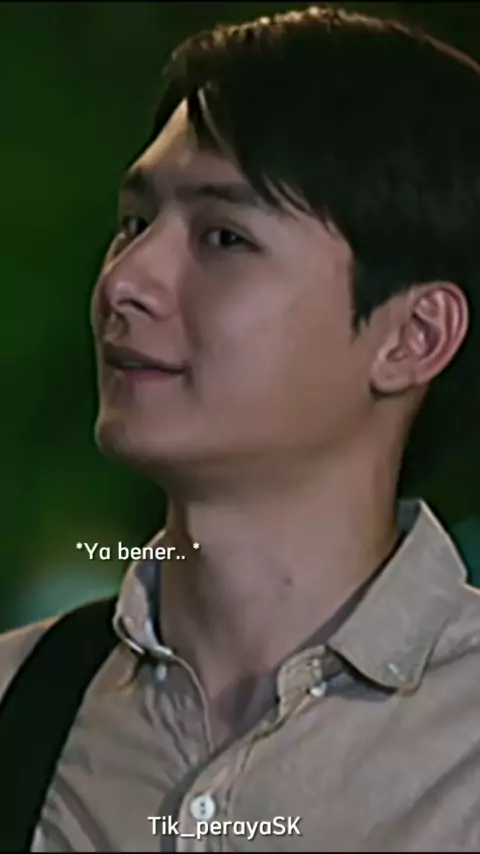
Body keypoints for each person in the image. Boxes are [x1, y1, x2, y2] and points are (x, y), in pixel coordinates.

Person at [2, 5, 480, 851]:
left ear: (412, 338)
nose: (125, 281)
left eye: (224, 237)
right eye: (133, 224)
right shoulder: (21, 706)